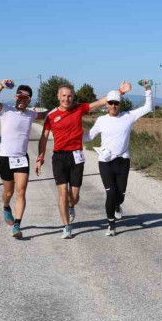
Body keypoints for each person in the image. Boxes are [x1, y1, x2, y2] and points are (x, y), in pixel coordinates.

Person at [35, 80, 132, 239]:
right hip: (59, 156)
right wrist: (40, 157)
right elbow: (44, 138)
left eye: (70, 96)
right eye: (64, 96)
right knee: (62, 194)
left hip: (76, 155)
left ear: (73, 97)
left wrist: (120, 92)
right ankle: (66, 226)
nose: (67, 99)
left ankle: (72, 206)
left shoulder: (78, 108)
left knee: (74, 196)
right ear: (58, 97)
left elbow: (100, 102)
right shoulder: (51, 116)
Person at [84, 80, 153, 236]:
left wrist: (148, 88)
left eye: (116, 103)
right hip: (105, 162)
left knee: (120, 195)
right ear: (106, 105)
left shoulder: (128, 116)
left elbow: (147, 107)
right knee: (110, 193)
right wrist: (72, 134)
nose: (114, 105)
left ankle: (117, 206)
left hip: (123, 161)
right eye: (111, 103)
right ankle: (111, 224)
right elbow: (89, 136)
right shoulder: (101, 120)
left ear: (120, 104)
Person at [0, 79, 47, 239]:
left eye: (25, 98)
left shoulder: (31, 114)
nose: (21, 100)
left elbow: (47, 115)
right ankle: (6, 207)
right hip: (5, 158)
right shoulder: (6, 110)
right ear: (15, 98)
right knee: (8, 192)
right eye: (19, 97)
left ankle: (17, 225)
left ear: (29, 100)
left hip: (21, 159)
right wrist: (0, 86)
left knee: (21, 192)